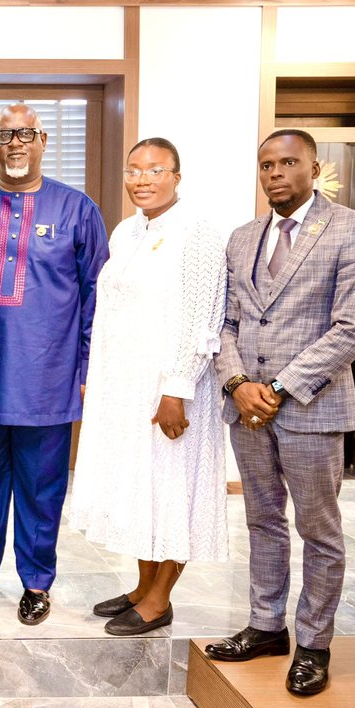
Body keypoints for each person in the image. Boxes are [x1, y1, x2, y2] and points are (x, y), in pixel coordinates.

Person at [206, 129, 355, 696]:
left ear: (313, 166)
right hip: (247, 409)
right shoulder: (242, 237)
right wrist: (237, 383)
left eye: (287, 163)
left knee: (319, 530)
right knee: (262, 520)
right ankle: (265, 627)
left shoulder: (353, 227)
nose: (275, 173)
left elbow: (354, 326)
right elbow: (227, 321)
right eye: (265, 165)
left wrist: (278, 386)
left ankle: (313, 643)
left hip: (310, 406)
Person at [0, 103, 108, 625]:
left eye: (27, 134)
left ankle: (37, 581)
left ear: (43, 142)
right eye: (4, 135)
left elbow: (97, 298)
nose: (16, 143)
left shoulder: (77, 209)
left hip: (50, 379)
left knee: (42, 487)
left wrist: (87, 372)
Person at [68, 138, 228, 636]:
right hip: (125, 385)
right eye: (133, 169)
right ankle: (141, 586)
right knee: (142, 487)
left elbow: (205, 318)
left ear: (177, 176)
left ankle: (160, 600)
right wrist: (97, 376)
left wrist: (176, 388)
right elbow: (112, 310)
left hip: (170, 386)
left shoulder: (197, 233)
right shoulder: (126, 230)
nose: (141, 179)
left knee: (172, 487)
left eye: (154, 170)